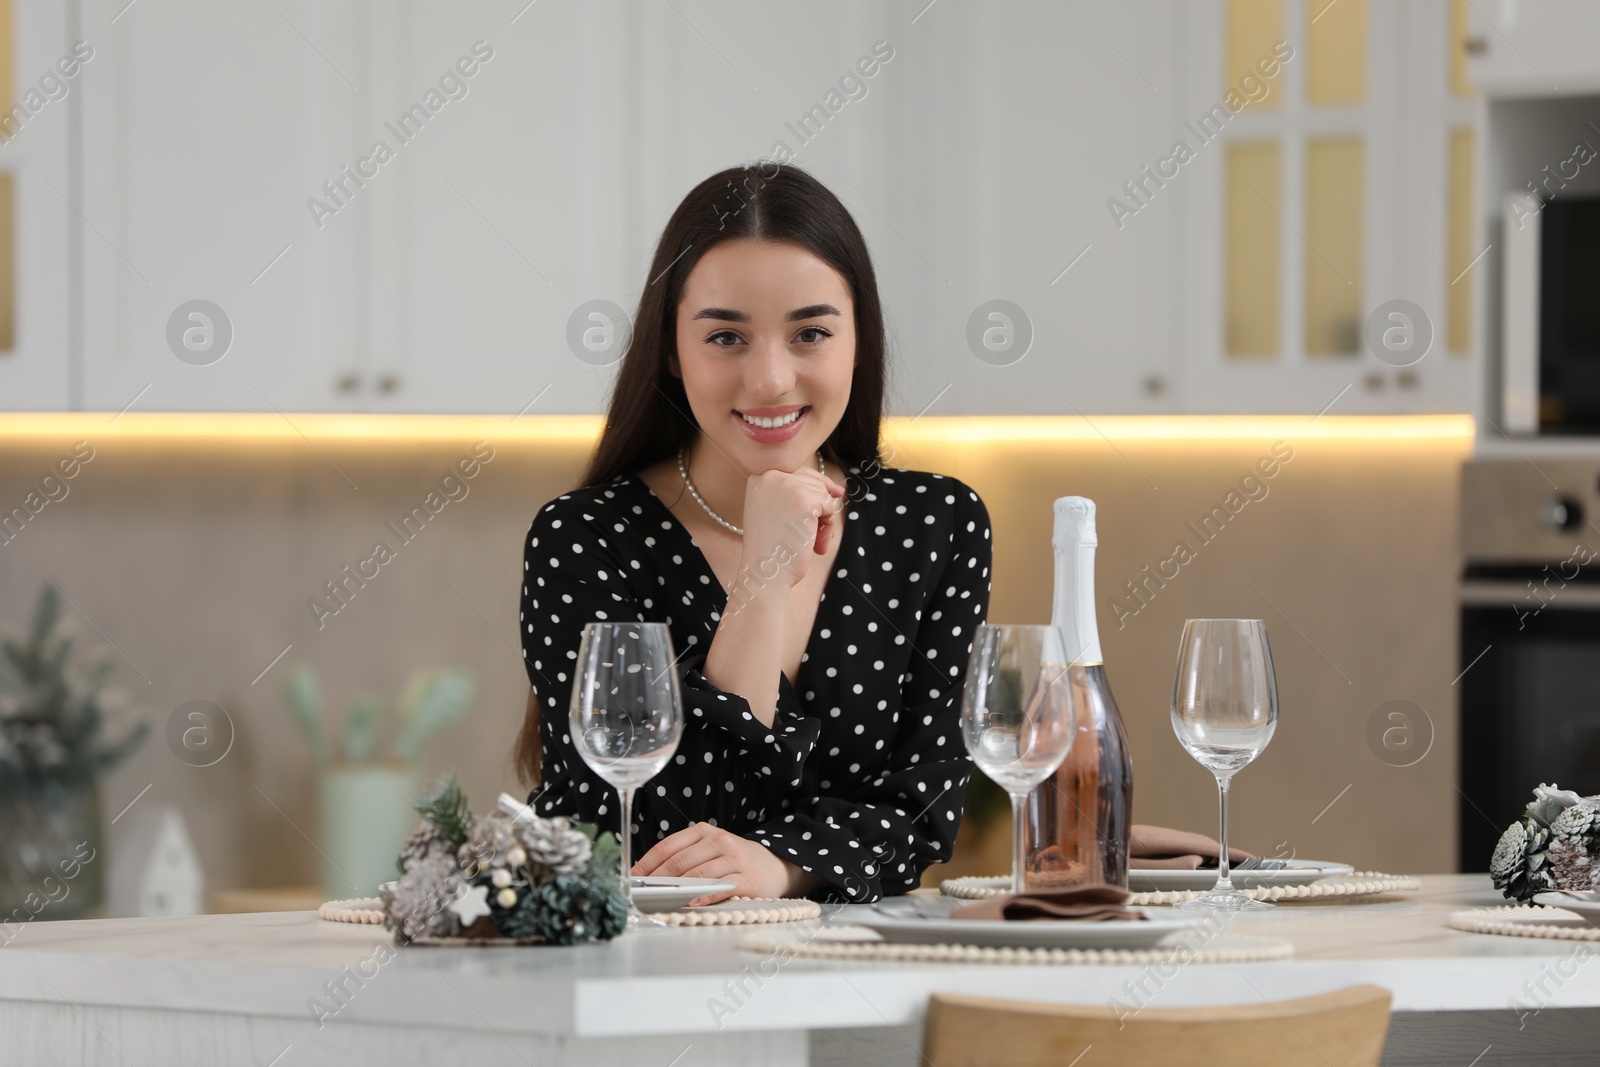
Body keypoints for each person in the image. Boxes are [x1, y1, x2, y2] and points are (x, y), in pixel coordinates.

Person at [514, 161, 992, 904]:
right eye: (727, 337)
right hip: (633, 973)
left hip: (854, 977)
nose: (769, 379)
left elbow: (924, 807)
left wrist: (779, 866)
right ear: (670, 348)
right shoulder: (586, 538)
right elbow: (645, 825)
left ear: (858, 339)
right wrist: (763, 576)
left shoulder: (935, 525)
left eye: (810, 332)